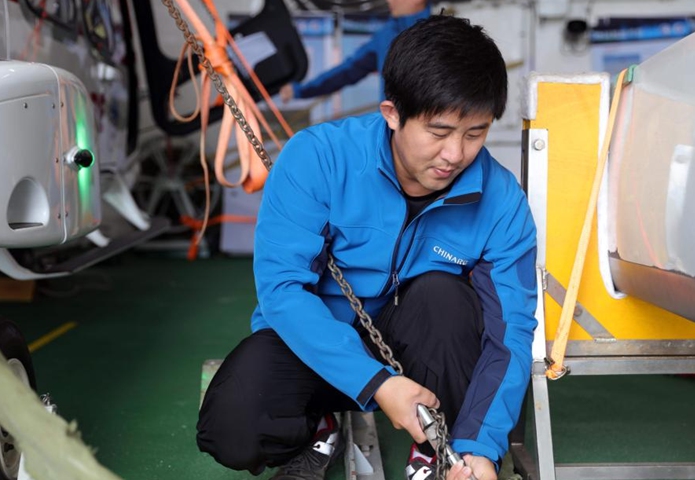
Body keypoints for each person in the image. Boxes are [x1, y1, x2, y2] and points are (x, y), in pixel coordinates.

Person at [197, 14, 538, 480]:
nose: (456, 154)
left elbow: (510, 335)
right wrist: (376, 383)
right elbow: (282, 292)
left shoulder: (502, 202)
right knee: (232, 428)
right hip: (316, 343)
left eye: (474, 133)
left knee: (445, 298)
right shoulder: (317, 158)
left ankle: (442, 448)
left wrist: (482, 446)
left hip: (420, 346)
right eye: (438, 132)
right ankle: (317, 428)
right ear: (392, 114)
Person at [279, 0, 430, 103]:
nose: (389, 1)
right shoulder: (385, 36)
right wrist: (299, 91)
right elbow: (346, 71)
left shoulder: (442, 33)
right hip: (391, 134)